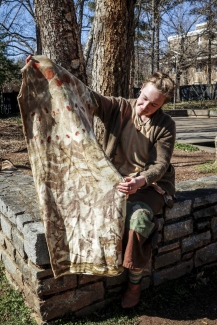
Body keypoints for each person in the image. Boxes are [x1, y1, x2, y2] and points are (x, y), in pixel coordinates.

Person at [26, 56, 175, 308]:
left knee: (138, 220)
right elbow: (86, 94)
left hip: (150, 185)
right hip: (114, 180)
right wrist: (49, 68)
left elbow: (161, 164)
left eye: (153, 105)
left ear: (161, 105)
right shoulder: (120, 107)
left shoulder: (165, 124)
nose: (145, 106)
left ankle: (134, 282)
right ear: (140, 90)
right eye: (144, 98)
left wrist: (140, 180)